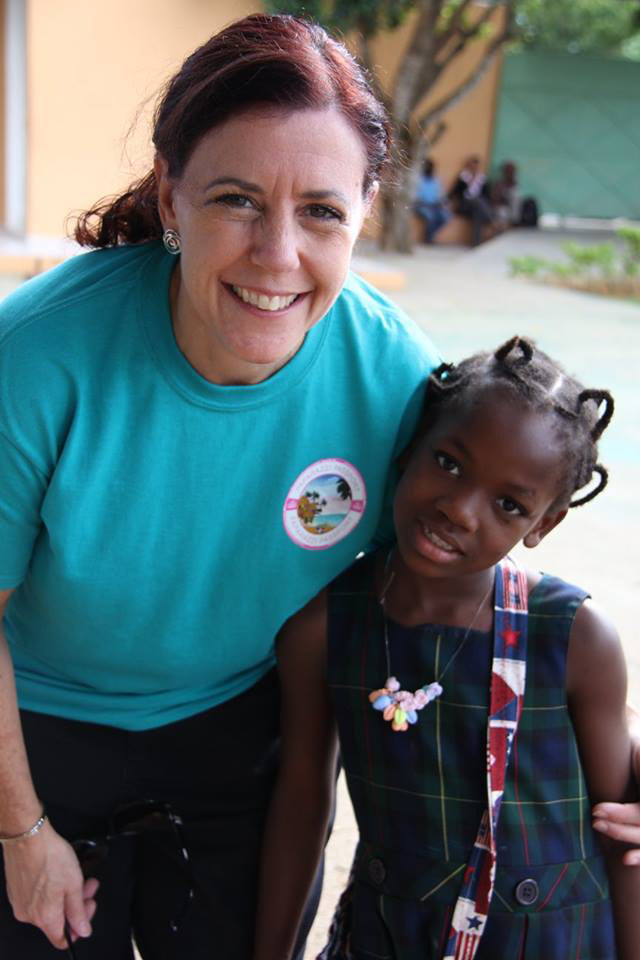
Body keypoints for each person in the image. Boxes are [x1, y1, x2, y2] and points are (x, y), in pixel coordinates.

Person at [0, 14, 441, 959]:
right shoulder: (34, 359)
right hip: (33, 733)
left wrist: (602, 765)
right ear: (170, 193)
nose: (277, 255)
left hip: (244, 733)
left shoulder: (399, 382)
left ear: (367, 206)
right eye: (237, 199)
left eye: (322, 211)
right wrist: (20, 832)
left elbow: (466, 594)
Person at [260, 336, 640, 960]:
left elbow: (621, 830)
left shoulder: (575, 637)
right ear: (411, 447)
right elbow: (303, 803)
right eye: (449, 463)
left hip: (555, 944)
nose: (460, 511)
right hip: (391, 939)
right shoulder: (324, 628)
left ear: (543, 524)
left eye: (509, 504)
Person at [448, 155, 494, 247]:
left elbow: (487, 196)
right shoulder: (463, 177)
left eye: (475, 166)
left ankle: (475, 244)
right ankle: (491, 220)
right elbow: (454, 192)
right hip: (464, 205)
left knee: (478, 216)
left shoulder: (482, 179)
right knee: (477, 201)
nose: (473, 168)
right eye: (471, 166)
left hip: (478, 208)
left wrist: (476, 181)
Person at [413, 160, 451, 244]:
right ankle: (428, 239)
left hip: (434, 206)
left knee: (445, 217)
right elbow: (415, 197)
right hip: (421, 205)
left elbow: (440, 195)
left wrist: (442, 203)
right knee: (430, 217)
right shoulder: (418, 179)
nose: (429, 170)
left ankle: (431, 235)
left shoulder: (435, 180)